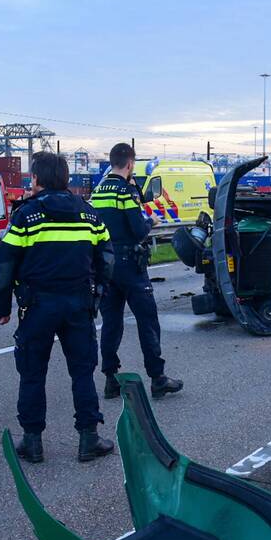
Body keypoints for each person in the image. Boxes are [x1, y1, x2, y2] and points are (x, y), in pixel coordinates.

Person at [0, 151, 114, 464]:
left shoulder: (26, 216)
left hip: (37, 307)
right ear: (66, 179)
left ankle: (32, 442)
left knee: (32, 373)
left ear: (36, 179)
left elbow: (5, 263)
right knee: (82, 372)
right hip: (78, 305)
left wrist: (1, 306)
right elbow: (107, 259)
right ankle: (89, 438)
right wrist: (98, 294)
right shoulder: (89, 214)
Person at [91, 143, 183, 401]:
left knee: (111, 323)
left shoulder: (98, 190)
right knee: (147, 320)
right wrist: (150, 221)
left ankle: (110, 379)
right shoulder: (126, 191)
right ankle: (158, 378)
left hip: (106, 265)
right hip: (130, 265)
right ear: (130, 164)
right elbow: (137, 229)